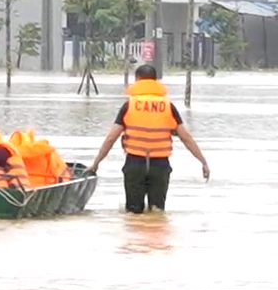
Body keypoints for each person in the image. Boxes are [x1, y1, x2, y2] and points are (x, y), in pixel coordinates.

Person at [88, 63, 210, 214]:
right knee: (157, 212)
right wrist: (203, 162)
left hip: (135, 163)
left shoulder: (130, 106)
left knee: (133, 213)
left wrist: (95, 164)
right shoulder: (167, 106)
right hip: (160, 166)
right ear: (155, 81)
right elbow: (186, 138)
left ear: (137, 80)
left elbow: (111, 138)